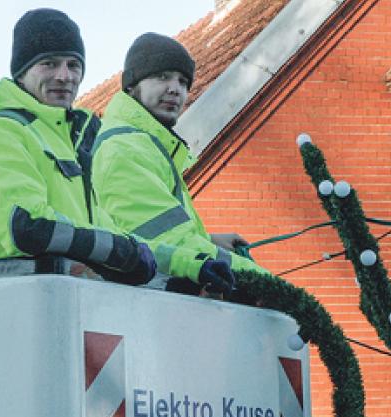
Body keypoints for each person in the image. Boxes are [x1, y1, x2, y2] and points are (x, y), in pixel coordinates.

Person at [0, 10, 230, 292]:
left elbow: (106, 232)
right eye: (49, 63)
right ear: (21, 71)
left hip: (54, 304)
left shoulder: (69, 142)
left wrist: (192, 265)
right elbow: (27, 226)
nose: (64, 76)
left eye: (73, 65)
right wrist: (122, 253)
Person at [91, 32, 264, 295]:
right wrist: (267, 283)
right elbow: (167, 242)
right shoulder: (124, 148)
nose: (175, 89)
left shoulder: (146, 144)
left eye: (183, 82)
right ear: (131, 85)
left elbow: (152, 233)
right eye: (162, 76)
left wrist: (208, 240)